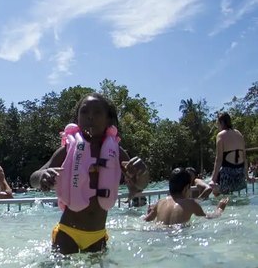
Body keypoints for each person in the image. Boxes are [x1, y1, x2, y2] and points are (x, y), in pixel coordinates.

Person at [29, 93, 150, 255]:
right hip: (67, 233)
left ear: (108, 120)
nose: (90, 117)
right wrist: (42, 176)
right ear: (77, 118)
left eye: (98, 112)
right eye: (84, 112)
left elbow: (138, 186)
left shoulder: (116, 152)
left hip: (97, 236)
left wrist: (142, 173)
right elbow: (33, 178)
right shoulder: (67, 150)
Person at [143, 168, 229, 225]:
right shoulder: (191, 204)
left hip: (159, 232)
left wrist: (149, 213)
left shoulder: (160, 202)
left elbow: (146, 220)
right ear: (186, 188)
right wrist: (220, 209)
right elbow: (209, 217)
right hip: (178, 234)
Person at [210, 112, 248, 195]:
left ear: (222, 122)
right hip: (240, 174)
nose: (217, 126)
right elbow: (244, 158)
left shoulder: (221, 135)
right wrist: (247, 176)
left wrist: (213, 179)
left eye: (218, 123)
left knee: (216, 193)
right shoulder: (239, 134)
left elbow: (219, 159)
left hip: (227, 173)